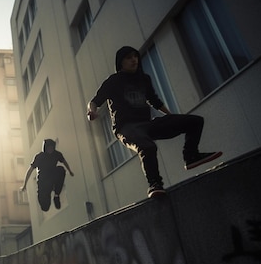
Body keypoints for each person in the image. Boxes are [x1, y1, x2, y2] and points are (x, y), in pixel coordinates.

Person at [86, 45, 222, 198]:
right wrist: (92, 111)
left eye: (135, 56)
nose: (134, 60)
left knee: (194, 121)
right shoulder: (114, 81)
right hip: (126, 128)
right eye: (129, 58)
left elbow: (154, 101)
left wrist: (172, 117)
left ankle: (191, 156)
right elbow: (95, 101)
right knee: (147, 147)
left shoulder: (144, 79)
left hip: (147, 125)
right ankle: (154, 184)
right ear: (121, 62)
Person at [21, 139, 74, 211]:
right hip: (43, 180)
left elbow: (64, 162)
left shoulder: (57, 154)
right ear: (45, 148)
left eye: (52, 148)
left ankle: (56, 195)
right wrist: (25, 185)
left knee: (61, 170)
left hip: (53, 176)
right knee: (45, 207)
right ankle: (46, 196)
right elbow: (30, 170)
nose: (50, 150)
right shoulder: (40, 157)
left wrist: (70, 171)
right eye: (49, 148)